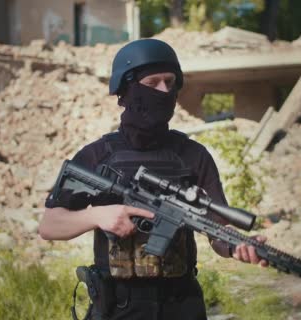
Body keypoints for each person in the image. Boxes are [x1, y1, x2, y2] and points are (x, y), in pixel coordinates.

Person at [39, 39, 267, 320]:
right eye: (153, 82)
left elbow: (217, 230)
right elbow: (50, 225)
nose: (164, 91)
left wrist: (237, 246)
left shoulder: (193, 155)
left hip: (182, 305)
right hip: (118, 307)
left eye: (170, 82)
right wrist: (98, 215)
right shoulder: (98, 156)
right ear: (126, 89)